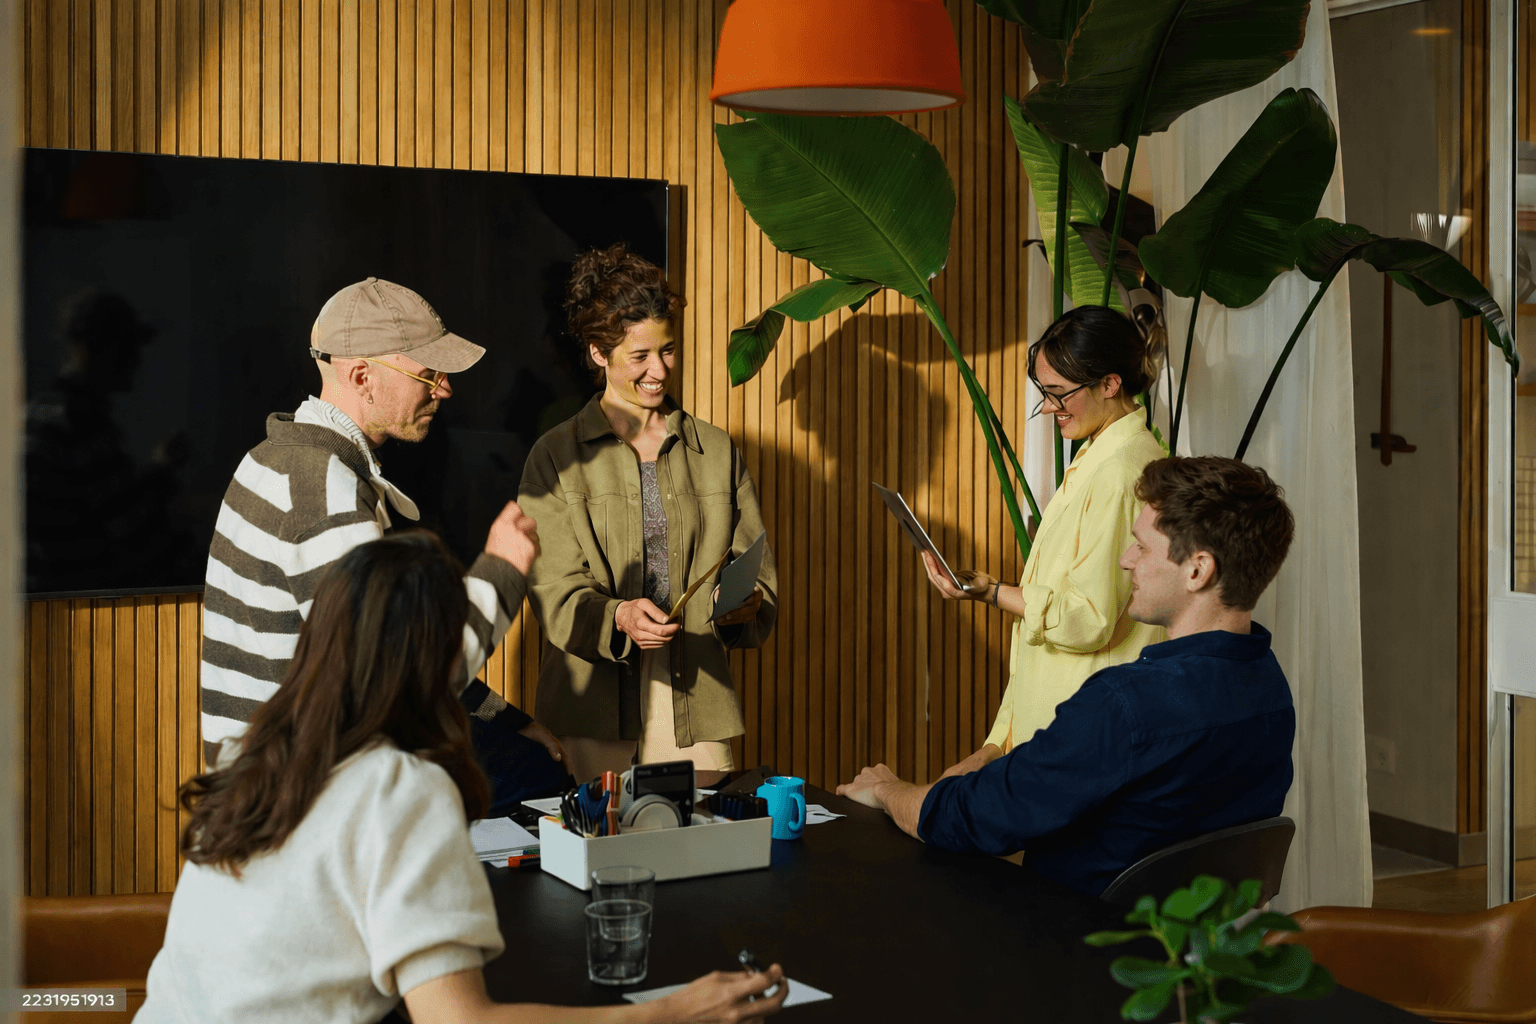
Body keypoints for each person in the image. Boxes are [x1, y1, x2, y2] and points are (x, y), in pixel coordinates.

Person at [142, 533, 788, 1024]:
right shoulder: (397, 786)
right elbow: (461, 1022)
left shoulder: (248, 753)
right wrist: (667, 1014)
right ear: (442, 659)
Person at [838, 456, 1297, 897]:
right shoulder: (1271, 691)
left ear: (1197, 569)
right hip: (1179, 955)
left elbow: (973, 819)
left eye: (1141, 545)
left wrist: (887, 789)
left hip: (1067, 951)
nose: (1125, 560)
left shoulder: (1126, 706)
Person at [198, 276, 566, 813]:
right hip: (293, 804)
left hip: (294, 772)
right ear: (363, 376)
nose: (444, 389)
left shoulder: (277, 458)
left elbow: (396, 636)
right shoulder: (322, 493)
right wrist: (503, 570)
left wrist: (510, 721)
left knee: (521, 763)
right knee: (531, 783)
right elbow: (403, 679)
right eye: (427, 374)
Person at [518, 244, 776, 785]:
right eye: (640, 357)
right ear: (598, 354)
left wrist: (744, 605)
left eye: (668, 351)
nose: (659, 371)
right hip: (589, 708)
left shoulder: (717, 451)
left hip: (696, 698)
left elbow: (758, 574)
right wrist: (618, 617)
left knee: (706, 859)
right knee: (596, 857)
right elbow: (552, 590)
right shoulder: (554, 455)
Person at [921, 305, 1168, 778]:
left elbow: (1088, 619)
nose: (1050, 408)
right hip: (1054, 730)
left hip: (1080, 739)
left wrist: (994, 592)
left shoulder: (1119, 472)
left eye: (1058, 394)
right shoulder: (1098, 453)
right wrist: (997, 744)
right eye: (1045, 392)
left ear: (1110, 384)